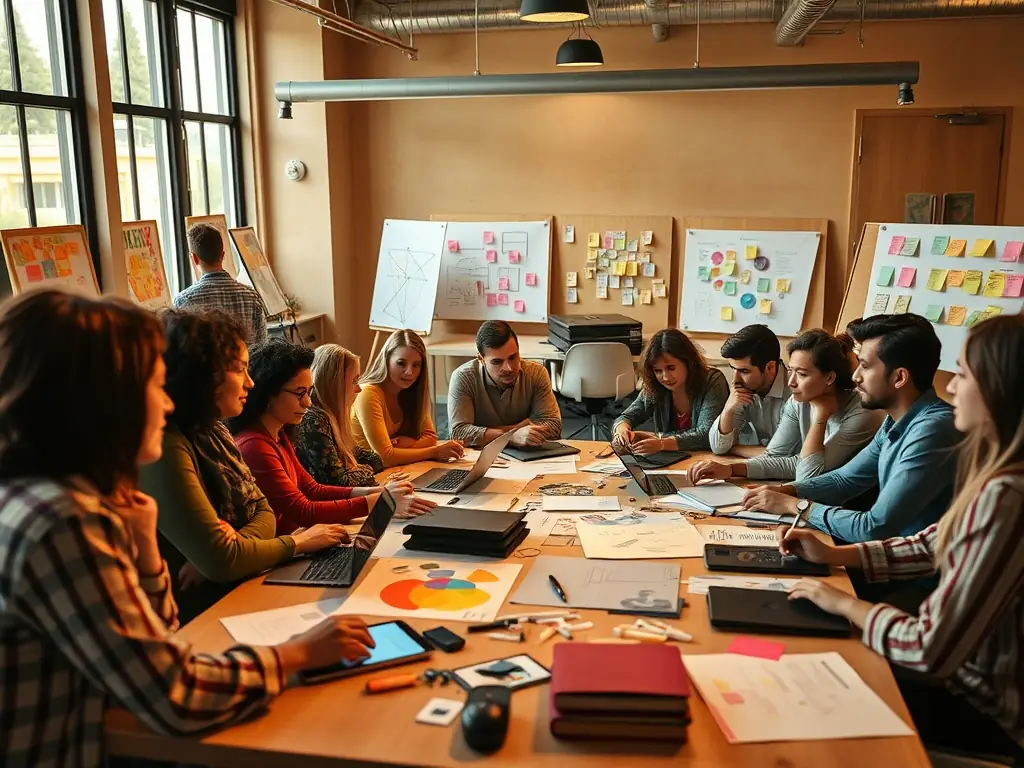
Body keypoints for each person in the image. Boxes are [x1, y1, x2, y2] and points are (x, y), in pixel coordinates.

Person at [0, 290, 375, 767]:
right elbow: (174, 694)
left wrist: (142, 539)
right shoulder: (64, 522)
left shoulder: (52, 496)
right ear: (101, 400)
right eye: (155, 386)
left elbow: (160, 641)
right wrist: (296, 655)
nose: (165, 403)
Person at [782, 314, 1024, 761]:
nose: (952, 388)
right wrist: (839, 553)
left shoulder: (1006, 493)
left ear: (1002, 392)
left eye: (965, 375)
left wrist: (843, 602)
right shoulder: (1002, 477)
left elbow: (928, 649)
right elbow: (934, 543)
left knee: (810, 681)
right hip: (965, 679)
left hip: (984, 707)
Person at [140, 310, 348, 622]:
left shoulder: (216, 432)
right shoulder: (168, 445)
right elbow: (222, 560)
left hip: (239, 584)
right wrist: (297, 542)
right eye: (239, 370)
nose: (250, 382)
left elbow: (263, 513)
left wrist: (234, 543)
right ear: (202, 375)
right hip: (201, 611)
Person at [742, 313, 960, 543]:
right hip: (877, 558)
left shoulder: (931, 431)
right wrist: (788, 491)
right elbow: (843, 481)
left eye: (865, 366)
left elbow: (874, 527)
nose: (855, 376)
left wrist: (794, 505)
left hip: (905, 572)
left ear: (899, 377)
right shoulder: (895, 422)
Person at [231, 339, 436, 534]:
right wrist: (382, 502)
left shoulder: (279, 436)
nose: (308, 403)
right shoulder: (255, 446)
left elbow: (314, 490)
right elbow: (303, 510)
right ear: (268, 393)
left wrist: (380, 493)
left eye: (308, 392)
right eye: (299, 393)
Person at [692, 330, 881, 482]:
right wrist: (729, 469)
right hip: (810, 498)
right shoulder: (799, 400)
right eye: (791, 370)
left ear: (830, 377)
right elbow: (775, 457)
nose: (791, 382)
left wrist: (820, 417)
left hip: (851, 509)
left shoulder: (862, 412)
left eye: (802, 374)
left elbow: (808, 475)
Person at [353, 329, 464, 467]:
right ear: (386, 360)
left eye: (416, 365)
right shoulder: (368, 394)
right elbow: (385, 457)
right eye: (401, 363)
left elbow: (430, 437)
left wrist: (404, 446)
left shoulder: (411, 392)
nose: (409, 372)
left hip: (398, 470)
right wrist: (434, 452)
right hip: (368, 474)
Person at [447, 320, 563, 448]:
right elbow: (458, 433)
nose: (508, 368)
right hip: (482, 455)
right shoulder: (463, 377)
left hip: (527, 454)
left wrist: (487, 432)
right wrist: (512, 435)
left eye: (513, 358)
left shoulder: (536, 373)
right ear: (481, 359)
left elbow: (553, 425)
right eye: (497, 362)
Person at [612, 328, 729, 454]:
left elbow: (706, 435)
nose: (665, 377)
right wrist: (621, 430)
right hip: (671, 462)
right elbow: (626, 417)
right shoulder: (655, 385)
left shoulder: (712, 380)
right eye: (658, 371)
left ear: (688, 362)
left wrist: (660, 441)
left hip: (707, 461)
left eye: (671, 368)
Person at [295, 343, 385, 487]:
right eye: (354, 381)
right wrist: (363, 469)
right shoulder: (314, 421)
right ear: (334, 385)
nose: (358, 388)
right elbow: (340, 482)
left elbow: (375, 460)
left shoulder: (332, 418)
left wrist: (357, 469)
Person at [173, 222, 268, 344]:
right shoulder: (252, 296)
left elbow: (182, 349)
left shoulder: (184, 300)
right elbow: (262, 345)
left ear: (194, 258)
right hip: (247, 363)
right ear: (223, 255)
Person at [709, 324, 790, 453]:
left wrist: (735, 449)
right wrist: (728, 410)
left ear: (770, 367)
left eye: (744, 371)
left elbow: (784, 454)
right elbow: (718, 447)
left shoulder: (796, 391)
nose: (735, 380)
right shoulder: (744, 390)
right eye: (733, 369)